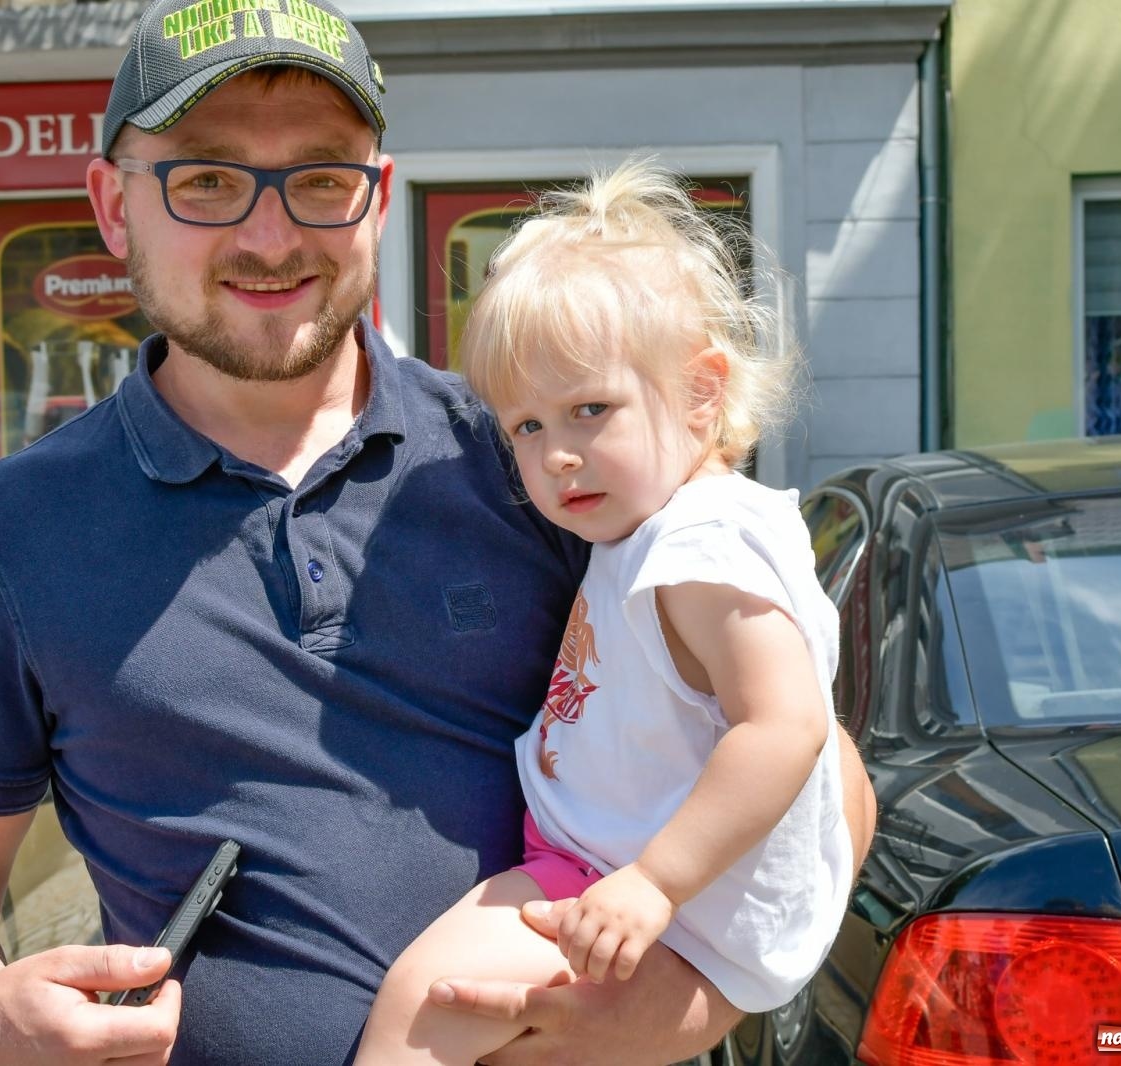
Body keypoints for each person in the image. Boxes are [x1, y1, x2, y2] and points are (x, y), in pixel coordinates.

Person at [0, 3, 877, 1063]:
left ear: (376, 199)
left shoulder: (539, 457)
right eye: (208, 179)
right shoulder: (9, 535)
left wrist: (679, 1009)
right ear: (115, 206)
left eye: (320, 178)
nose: (270, 236)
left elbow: (818, 770)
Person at [354, 162, 849, 1064]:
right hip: (603, 870)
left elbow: (786, 727)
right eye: (527, 426)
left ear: (701, 392)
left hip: (643, 893)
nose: (557, 456)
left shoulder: (702, 545)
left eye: (590, 409)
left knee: (421, 1011)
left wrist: (655, 883)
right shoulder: (653, 524)